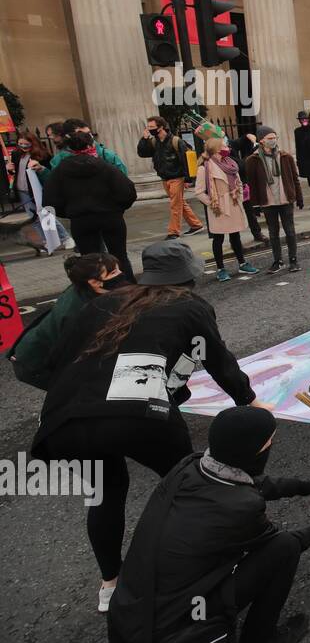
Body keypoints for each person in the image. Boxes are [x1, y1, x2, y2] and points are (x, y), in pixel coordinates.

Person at [33, 239, 266, 612]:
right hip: (135, 410)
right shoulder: (189, 306)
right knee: (189, 484)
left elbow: (57, 357)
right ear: (190, 275)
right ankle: (206, 565)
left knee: (105, 494)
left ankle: (111, 585)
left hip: (66, 419)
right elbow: (215, 359)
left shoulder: (104, 303)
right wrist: (250, 402)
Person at [108, 406, 310, 643]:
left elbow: (251, 482)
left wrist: (305, 486)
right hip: (167, 638)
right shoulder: (240, 507)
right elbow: (277, 543)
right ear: (253, 454)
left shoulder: (191, 465)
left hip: (129, 616)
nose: (272, 444)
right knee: (285, 548)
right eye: (269, 442)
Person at [8, 252, 126, 389]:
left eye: (118, 269)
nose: (120, 274)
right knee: (75, 395)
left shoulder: (83, 288)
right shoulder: (78, 314)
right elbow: (69, 353)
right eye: (113, 272)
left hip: (37, 351)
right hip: (34, 364)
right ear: (94, 282)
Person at [44, 131, 138, 283]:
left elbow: (50, 199)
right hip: (110, 217)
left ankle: (95, 290)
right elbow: (128, 192)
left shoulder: (60, 171)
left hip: (81, 220)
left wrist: (70, 212)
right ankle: (128, 286)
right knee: (119, 256)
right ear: (91, 145)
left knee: (90, 260)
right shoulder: (105, 167)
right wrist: (117, 209)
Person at [194, 137, 258, 282]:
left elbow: (239, 182)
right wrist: (213, 203)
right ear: (216, 149)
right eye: (224, 145)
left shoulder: (230, 163)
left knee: (235, 235)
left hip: (233, 202)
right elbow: (198, 192)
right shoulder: (205, 167)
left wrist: (240, 196)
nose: (227, 148)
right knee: (218, 238)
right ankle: (221, 269)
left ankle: (242, 263)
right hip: (218, 207)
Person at [243, 126, 302, 274]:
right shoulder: (253, 160)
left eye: (275, 137)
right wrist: (254, 204)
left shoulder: (286, 157)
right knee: (273, 233)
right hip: (268, 202)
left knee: (290, 231)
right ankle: (278, 261)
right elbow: (252, 183)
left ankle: (293, 260)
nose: (273, 140)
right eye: (270, 138)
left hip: (285, 200)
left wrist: (299, 197)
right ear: (261, 140)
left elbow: (295, 179)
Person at [137, 117, 204, 238]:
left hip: (177, 177)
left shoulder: (176, 141)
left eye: (152, 127)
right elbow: (142, 153)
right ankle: (196, 225)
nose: (149, 129)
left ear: (161, 127)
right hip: (164, 177)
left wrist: (188, 179)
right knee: (179, 203)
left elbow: (186, 160)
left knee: (175, 205)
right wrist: (144, 139)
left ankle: (173, 232)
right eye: (148, 127)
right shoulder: (154, 142)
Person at [7, 132, 75, 249]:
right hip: (22, 190)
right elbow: (17, 172)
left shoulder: (42, 155)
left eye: (26, 144)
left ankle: (65, 237)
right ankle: (46, 241)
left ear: (32, 143)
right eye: (20, 144)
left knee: (45, 215)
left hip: (37, 190)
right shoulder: (17, 154)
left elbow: (48, 172)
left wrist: (38, 167)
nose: (23, 146)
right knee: (34, 218)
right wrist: (10, 170)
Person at [43, 117, 130, 182]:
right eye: (81, 134)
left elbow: (123, 181)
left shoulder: (106, 155)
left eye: (88, 133)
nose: (88, 137)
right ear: (68, 136)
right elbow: (55, 185)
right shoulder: (59, 160)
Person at [232, 131, 266, 243]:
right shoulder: (220, 154)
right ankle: (235, 241)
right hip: (231, 188)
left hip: (242, 184)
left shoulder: (230, 145)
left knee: (250, 211)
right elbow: (241, 165)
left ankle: (257, 233)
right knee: (234, 215)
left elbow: (242, 140)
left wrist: (248, 136)